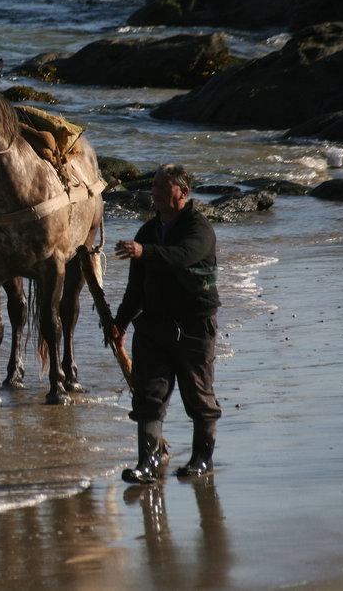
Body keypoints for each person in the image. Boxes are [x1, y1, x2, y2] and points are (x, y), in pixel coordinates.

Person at [113, 163, 222, 483]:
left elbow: (183, 255)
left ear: (183, 193)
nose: (156, 193)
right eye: (155, 186)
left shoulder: (199, 229)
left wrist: (144, 251)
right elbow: (135, 288)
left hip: (194, 326)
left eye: (164, 187)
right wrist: (119, 323)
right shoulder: (147, 231)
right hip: (152, 327)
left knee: (199, 397)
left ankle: (202, 460)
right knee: (148, 398)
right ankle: (146, 465)